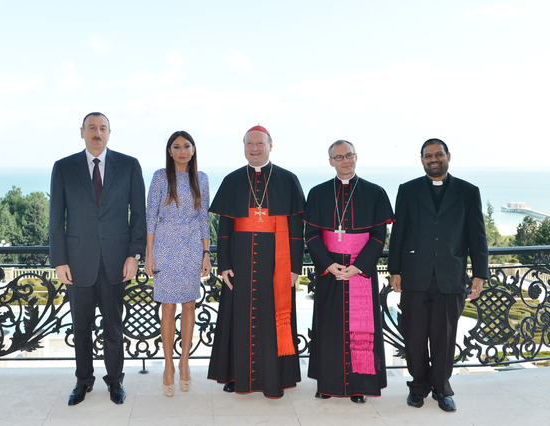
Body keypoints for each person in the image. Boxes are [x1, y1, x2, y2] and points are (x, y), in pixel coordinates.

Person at [49, 112, 146, 405]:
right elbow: (56, 219)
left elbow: (138, 215)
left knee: (114, 327)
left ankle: (115, 382)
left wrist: (134, 254)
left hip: (116, 262)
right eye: (92, 128)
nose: (97, 133)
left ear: (109, 133)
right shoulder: (63, 168)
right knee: (81, 328)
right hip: (77, 264)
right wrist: (59, 260)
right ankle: (83, 381)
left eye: (102, 128)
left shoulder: (129, 166)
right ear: (82, 132)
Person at [388, 138, 488, 412]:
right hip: (414, 277)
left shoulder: (468, 191)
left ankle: (442, 389)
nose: (433, 159)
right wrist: (394, 270)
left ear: (448, 156)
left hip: (451, 277)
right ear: (422, 160)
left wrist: (480, 273)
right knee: (415, 338)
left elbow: (477, 235)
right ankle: (418, 386)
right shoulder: (407, 190)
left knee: (444, 338)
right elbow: (398, 234)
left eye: (438, 154)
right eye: (428, 156)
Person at [207, 125, 305, 398]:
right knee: (238, 317)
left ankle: (276, 377)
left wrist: (295, 267)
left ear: (270, 145)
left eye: (259, 143)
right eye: (249, 143)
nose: (254, 148)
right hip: (239, 259)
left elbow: (297, 229)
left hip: (277, 260)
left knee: (272, 316)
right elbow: (224, 227)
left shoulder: (287, 179)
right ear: (244, 147)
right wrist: (223, 263)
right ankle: (237, 375)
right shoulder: (232, 180)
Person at [304, 140, 394, 403]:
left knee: (361, 329)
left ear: (356, 157)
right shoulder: (319, 193)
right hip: (329, 269)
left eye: (349, 155)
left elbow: (379, 236)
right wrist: (329, 264)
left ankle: (359, 386)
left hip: (360, 270)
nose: (345, 161)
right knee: (328, 327)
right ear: (330, 161)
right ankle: (327, 383)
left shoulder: (374, 192)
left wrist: (358, 267)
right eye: (339, 157)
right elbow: (311, 235)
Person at [144, 130, 211, 397]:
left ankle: (185, 362)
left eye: (187, 146)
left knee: (189, 304)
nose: (182, 151)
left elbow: (204, 218)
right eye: (176, 146)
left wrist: (206, 254)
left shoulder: (202, 179)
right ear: (169, 151)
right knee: (168, 307)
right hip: (165, 245)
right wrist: (149, 254)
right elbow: (150, 217)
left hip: (192, 245)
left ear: (193, 150)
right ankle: (168, 365)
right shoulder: (160, 177)